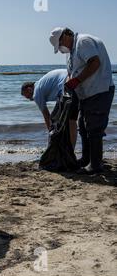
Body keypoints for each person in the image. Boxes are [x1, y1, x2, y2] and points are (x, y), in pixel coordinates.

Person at [50, 27, 115, 174]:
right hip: (86, 94)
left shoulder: (83, 42)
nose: (60, 50)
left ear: (66, 35)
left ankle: (96, 165)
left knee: (94, 128)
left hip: (99, 90)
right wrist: (69, 82)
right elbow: (71, 72)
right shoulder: (71, 51)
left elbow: (95, 63)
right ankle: (87, 159)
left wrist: (78, 80)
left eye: (60, 45)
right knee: (83, 126)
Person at [21, 69, 78, 147]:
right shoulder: (41, 84)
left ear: (29, 89)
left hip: (66, 84)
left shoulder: (36, 93)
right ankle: (69, 147)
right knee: (71, 119)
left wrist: (51, 134)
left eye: (28, 97)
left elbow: (46, 116)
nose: (31, 99)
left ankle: (60, 146)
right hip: (74, 78)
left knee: (57, 121)